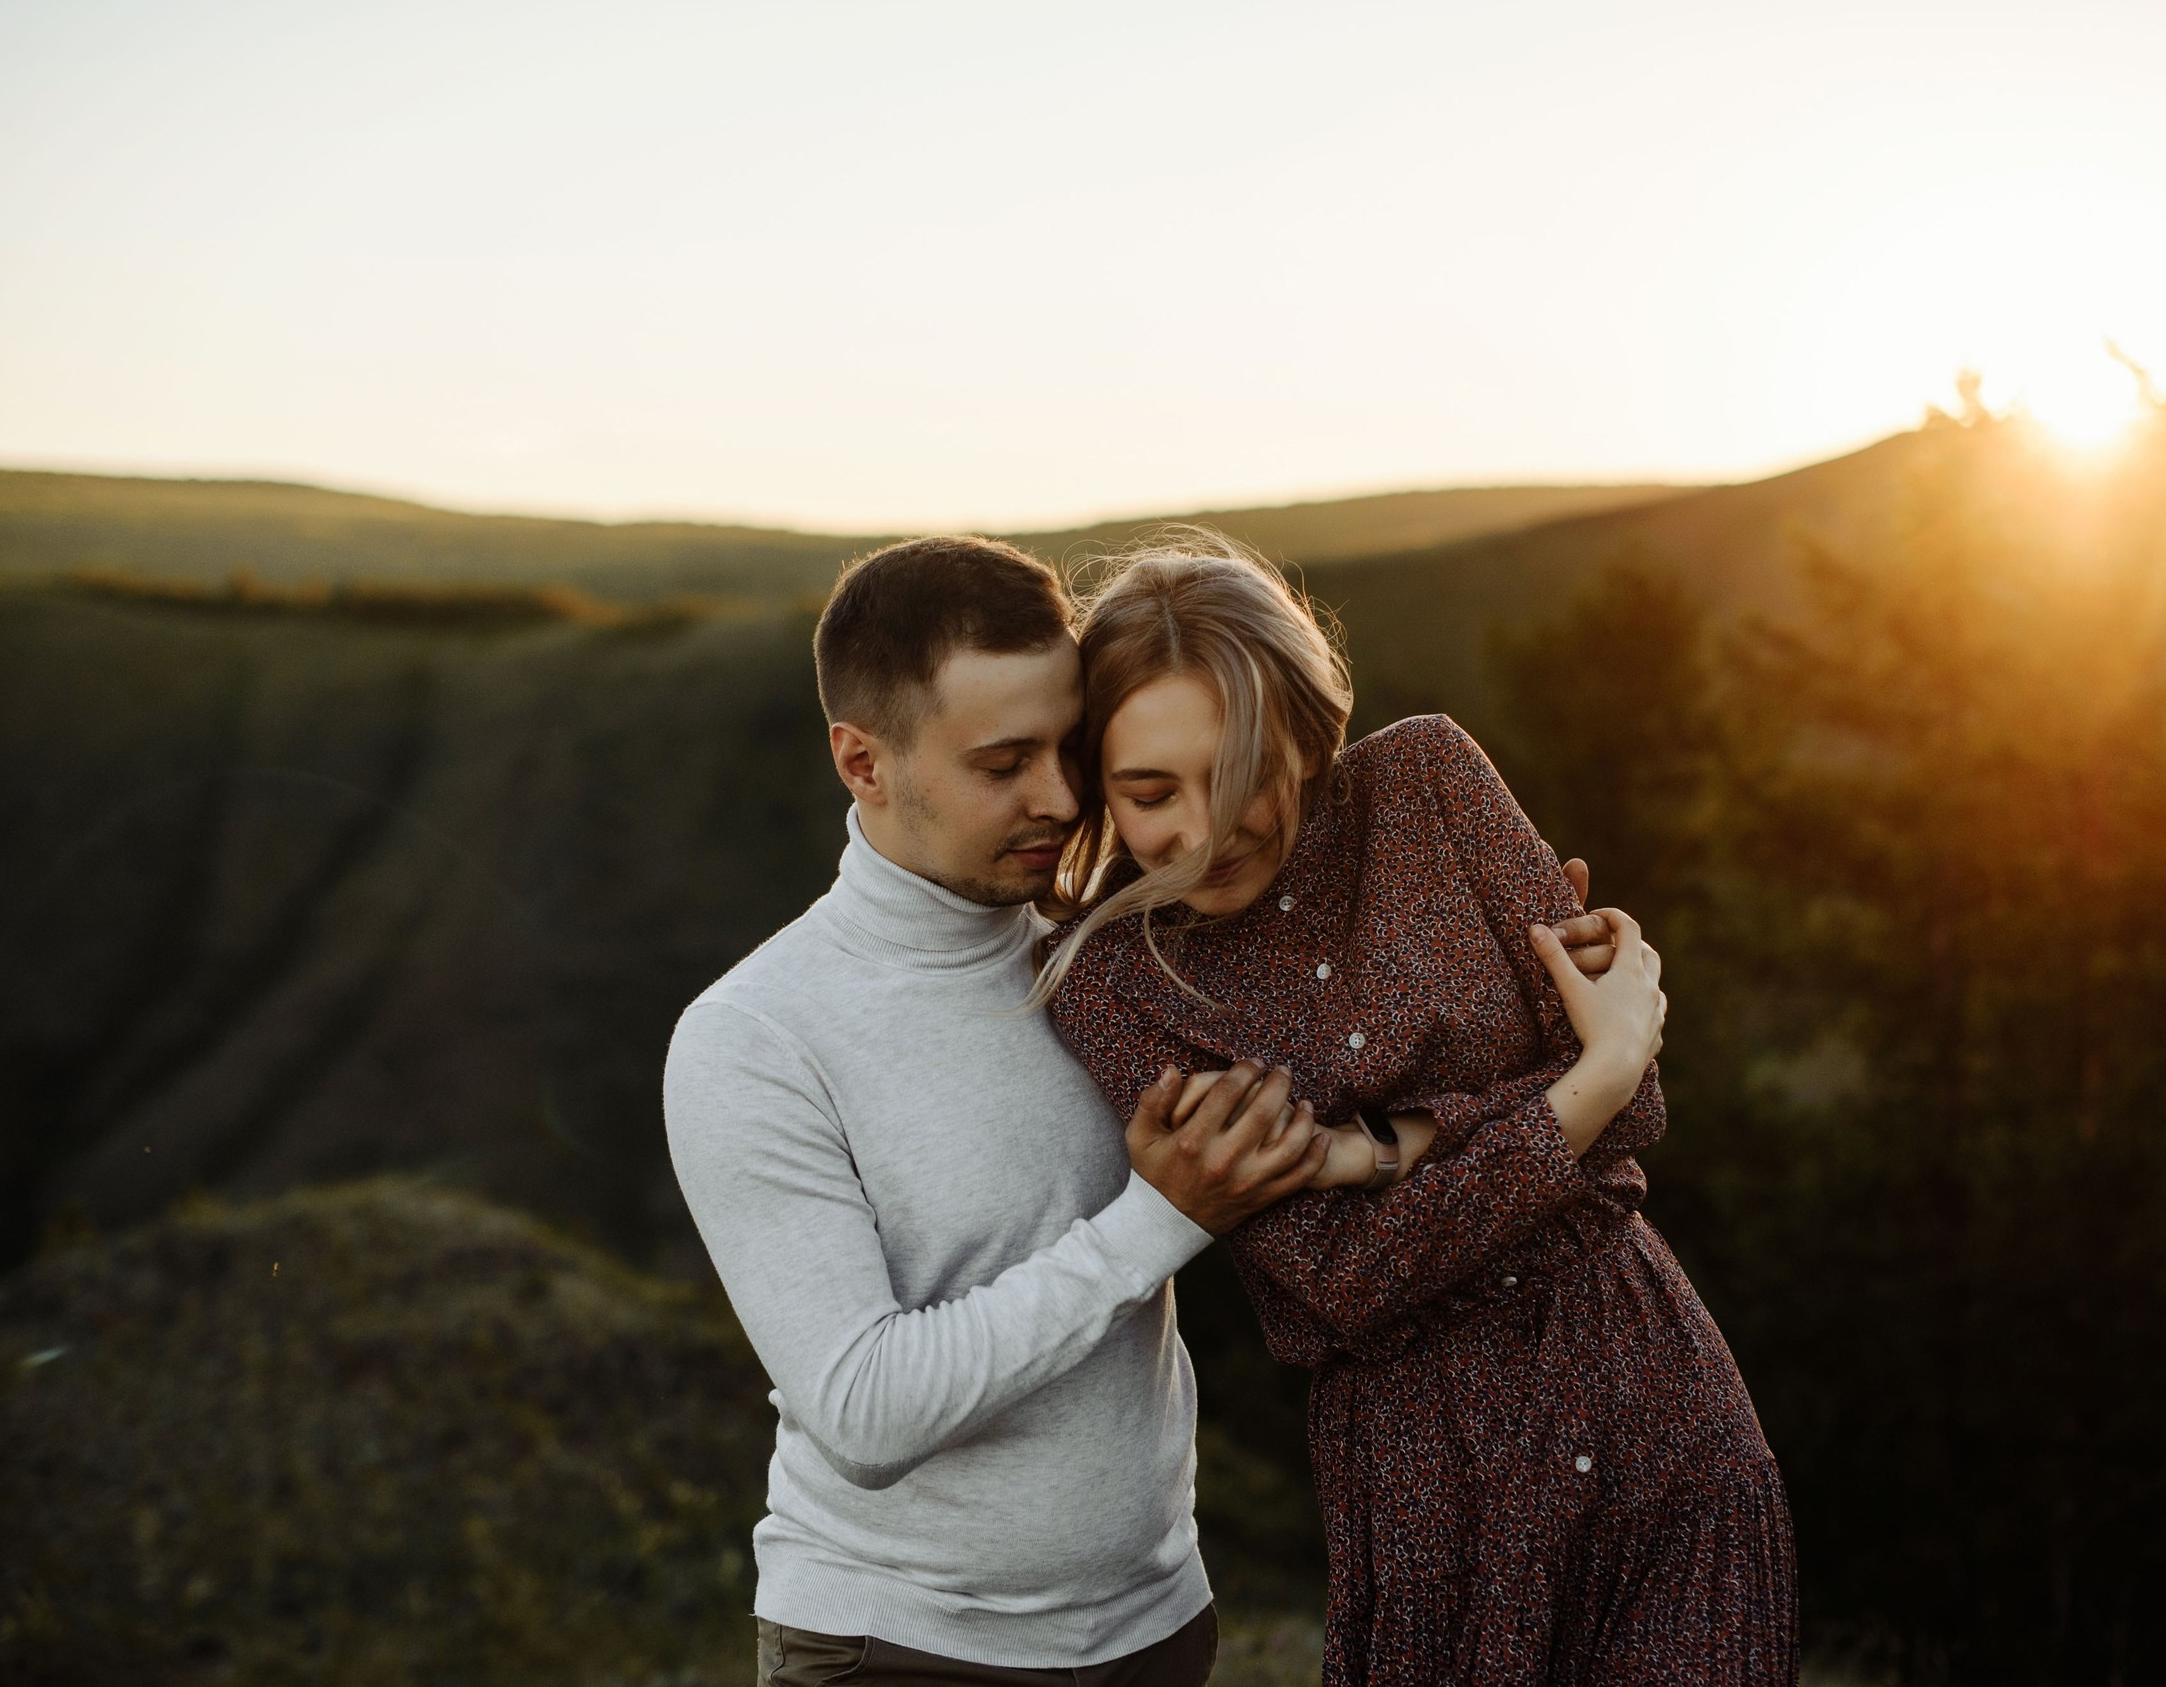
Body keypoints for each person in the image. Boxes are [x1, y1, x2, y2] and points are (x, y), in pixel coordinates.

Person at [662, 535, 1633, 1687]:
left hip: (1156, 1628)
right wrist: (1159, 1218)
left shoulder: (1124, 963)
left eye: (1068, 749)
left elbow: (1373, 1070)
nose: (1060, 797)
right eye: (1003, 763)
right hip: (899, 1646)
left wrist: (1533, 963)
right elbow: (864, 1412)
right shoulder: (755, 1035)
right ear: (862, 761)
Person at [1039, 532, 1798, 1686]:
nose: (1206, 829)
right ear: (1098, 781)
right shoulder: (1111, 982)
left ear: (1306, 734)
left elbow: (1634, 1107)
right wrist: (1578, 1085)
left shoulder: (1432, 780)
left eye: (1246, 774)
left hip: (1655, 1410)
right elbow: (1345, 1277)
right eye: (1151, 792)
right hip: (1429, 1485)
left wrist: (1370, 1149)